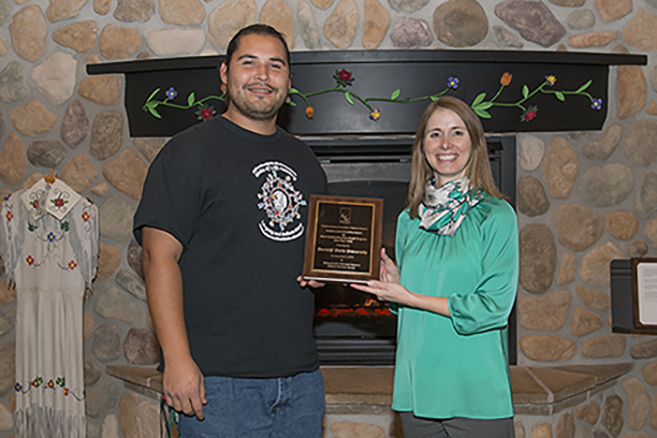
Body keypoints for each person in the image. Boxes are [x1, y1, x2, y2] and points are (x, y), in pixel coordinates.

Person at [133, 24, 327, 437]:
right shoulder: (188, 152)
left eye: (275, 66)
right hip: (216, 383)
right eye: (249, 62)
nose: (262, 75)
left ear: (289, 81)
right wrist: (178, 358)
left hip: (302, 380)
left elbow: (308, 254)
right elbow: (157, 255)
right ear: (224, 73)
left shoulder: (305, 160)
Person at [352, 96, 519, 438]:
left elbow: (493, 308)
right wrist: (397, 289)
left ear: (474, 143)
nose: (445, 144)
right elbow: (414, 311)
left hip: (475, 392)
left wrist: (409, 296)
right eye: (435, 134)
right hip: (418, 390)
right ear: (422, 147)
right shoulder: (409, 219)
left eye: (457, 132)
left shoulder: (497, 215)